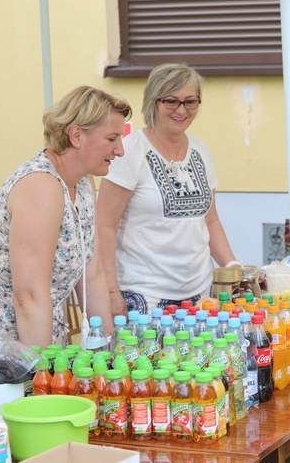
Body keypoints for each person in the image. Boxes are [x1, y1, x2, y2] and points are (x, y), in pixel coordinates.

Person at [0, 86, 132, 428]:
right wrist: (41, 378)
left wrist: (109, 354)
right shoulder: (41, 185)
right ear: (76, 135)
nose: (121, 149)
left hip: (28, 328)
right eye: (113, 138)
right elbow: (29, 295)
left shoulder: (83, 183)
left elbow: (93, 270)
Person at [97, 63, 237, 314]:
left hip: (199, 295)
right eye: (171, 101)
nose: (181, 110)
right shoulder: (129, 151)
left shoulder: (201, 151)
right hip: (144, 296)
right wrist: (111, 292)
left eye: (190, 101)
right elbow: (104, 226)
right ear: (154, 101)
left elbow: (211, 221)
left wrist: (234, 267)